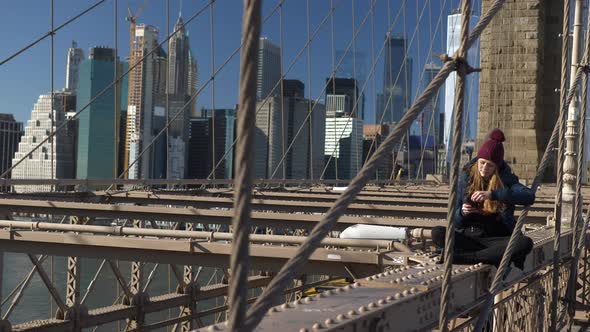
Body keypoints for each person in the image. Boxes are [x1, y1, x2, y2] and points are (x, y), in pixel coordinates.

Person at [431, 128, 534, 270]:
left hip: (496, 238)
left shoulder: (506, 179)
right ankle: (488, 256)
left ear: (497, 167)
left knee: (524, 243)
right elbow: (456, 222)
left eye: (490, 165)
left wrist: (493, 194)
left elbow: (528, 196)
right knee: (437, 232)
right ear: (478, 160)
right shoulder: (466, 179)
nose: (484, 168)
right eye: (482, 163)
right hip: (470, 236)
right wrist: (462, 213)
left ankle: (467, 257)